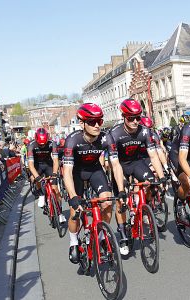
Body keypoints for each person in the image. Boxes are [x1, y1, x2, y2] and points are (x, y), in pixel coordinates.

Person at [63, 103, 127, 263]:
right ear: (82, 123)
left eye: (99, 120)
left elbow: (116, 164)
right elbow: (67, 172)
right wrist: (73, 197)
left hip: (95, 170)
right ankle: (73, 241)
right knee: (74, 212)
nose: (97, 125)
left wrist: (121, 190)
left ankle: (99, 235)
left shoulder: (107, 137)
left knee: (107, 201)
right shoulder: (72, 140)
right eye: (92, 122)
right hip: (76, 172)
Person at [106, 100, 166, 255]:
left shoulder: (145, 131)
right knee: (121, 200)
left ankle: (141, 207)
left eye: (138, 118)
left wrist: (162, 176)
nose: (135, 122)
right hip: (120, 165)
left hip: (137, 162)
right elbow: (114, 164)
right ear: (123, 116)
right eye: (130, 118)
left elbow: (153, 156)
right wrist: (121, 188)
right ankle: (124, 235)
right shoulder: (114, 133)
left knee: (153, 184)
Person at [27, 128, 62, 219]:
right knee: (34, 178)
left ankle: (60, 212)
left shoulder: (52, 143)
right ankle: (41, 195)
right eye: (40, 144)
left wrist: (54, 173)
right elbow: (30, 164)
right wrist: (37, 177)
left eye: (44, 144)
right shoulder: (31, 145)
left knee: (55, 189)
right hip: (37, 165)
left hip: (48, 164)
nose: (42, 146)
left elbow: (55, 160)